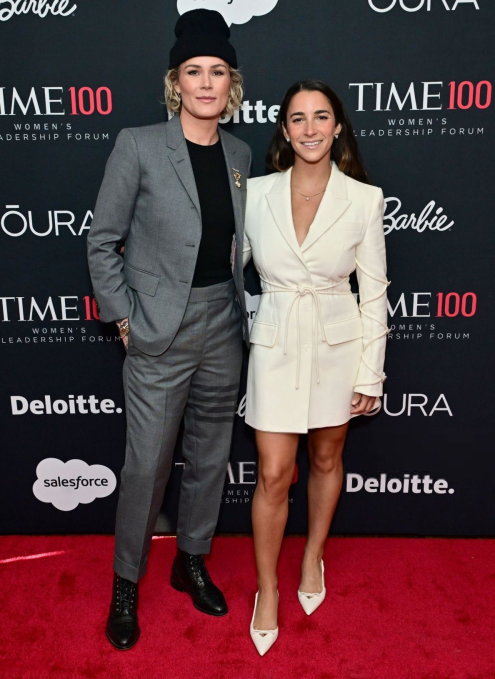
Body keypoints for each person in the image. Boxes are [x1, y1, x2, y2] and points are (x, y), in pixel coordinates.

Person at [87, 9, 251, 650]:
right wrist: (123, 315)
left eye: (217, 72)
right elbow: (103, 241)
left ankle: (191, 561)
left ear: (230, 84)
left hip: (222, 323)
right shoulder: (138, 144)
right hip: (158, 328)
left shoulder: (239, 154)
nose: (206, 83)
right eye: (194, 72)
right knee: (147, 466)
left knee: (210, 456)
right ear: (175, 82)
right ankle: (126, 583)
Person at [243, 80, 389, 655]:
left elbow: (374, 291)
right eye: (297, 118)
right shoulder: (254, 194)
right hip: (275, 344)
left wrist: (369, 372)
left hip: (337, 344)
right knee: (275, 473)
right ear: (283, 129)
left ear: (337, 127)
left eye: (320, 117)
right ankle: (267, 588)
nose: (309, 128)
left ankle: (311, 558)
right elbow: (223, 265)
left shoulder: (363, 199)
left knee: (327, 457)